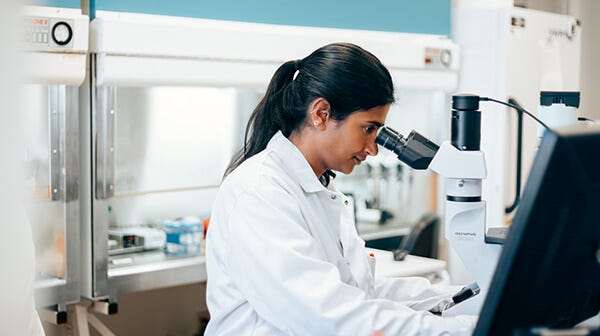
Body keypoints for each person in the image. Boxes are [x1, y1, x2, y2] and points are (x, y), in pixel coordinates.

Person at [205, 42, 477, 335]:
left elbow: (361, 291)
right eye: (368, 128)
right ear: (321, 113)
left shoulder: (323, 191)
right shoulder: (259, 192)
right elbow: (329, 315)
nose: (373, 149)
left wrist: (465, 298)